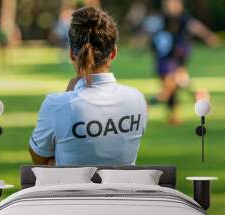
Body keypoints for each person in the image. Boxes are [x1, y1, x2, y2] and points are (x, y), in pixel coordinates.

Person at [29, 6, 147, 166]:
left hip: (70, 191)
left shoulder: (55, 105)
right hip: (124, 191)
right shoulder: (137, 100)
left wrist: (67, 94)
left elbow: (40, 159)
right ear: (113, 53)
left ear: (71, 53)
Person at [149, 0, 219, 125]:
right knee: (174, 87)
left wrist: (208, 36)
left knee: (168, 90)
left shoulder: (183, 19)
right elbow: (151, 35)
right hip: (162, 59)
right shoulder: (161, 19)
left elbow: (196, 27)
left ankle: (145, 105)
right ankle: (196, 99)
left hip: (176, 58)